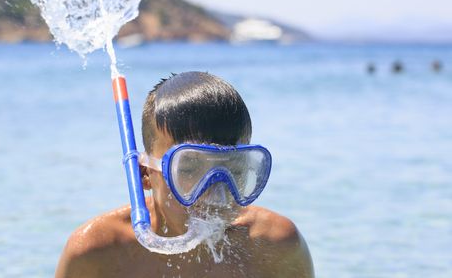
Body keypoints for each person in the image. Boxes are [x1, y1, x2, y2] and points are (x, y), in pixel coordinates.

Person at [55, 71, 314, 278]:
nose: (216, 193)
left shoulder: (275, 246)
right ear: (145, 174)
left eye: (234, 169)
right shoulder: (95, 254)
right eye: (190, 169)